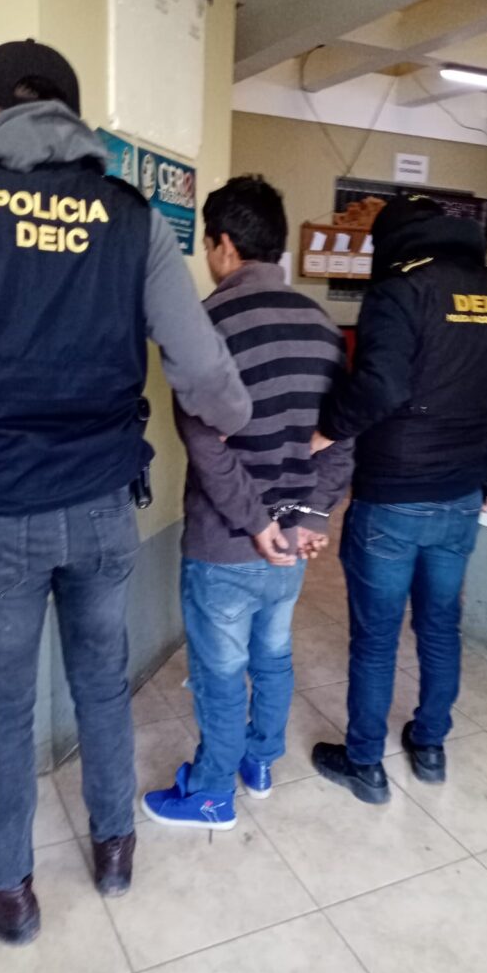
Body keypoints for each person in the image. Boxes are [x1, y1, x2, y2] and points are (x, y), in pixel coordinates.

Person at [0, 39, 252, 944]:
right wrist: (233, 415)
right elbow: (203, 367)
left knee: (2, 709)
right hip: (104, 505)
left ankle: (7, 890)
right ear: (75, 123)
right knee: (101, 683)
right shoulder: (132, 219)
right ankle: (115, 847)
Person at [142, 176, 353, 829]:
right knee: (273, 654)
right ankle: (260, 763)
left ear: (225, 245)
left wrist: (255, 521)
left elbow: (206, 447)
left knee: (221, 670)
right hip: (289, 543)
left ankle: (211, 791)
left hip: (226, 543)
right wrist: (305, 518)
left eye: (208, 246)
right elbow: (344, 434)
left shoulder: (206, 327)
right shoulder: (322, 327)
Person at [310, 194, 487, 804]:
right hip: (460, 496)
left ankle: (364, 763)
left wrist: (327, 429)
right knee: (439, 625)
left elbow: (380, 386)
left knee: (377, 637)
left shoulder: (399, 290)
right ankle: (430, 746)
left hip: (392, 496)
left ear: (392, 241)